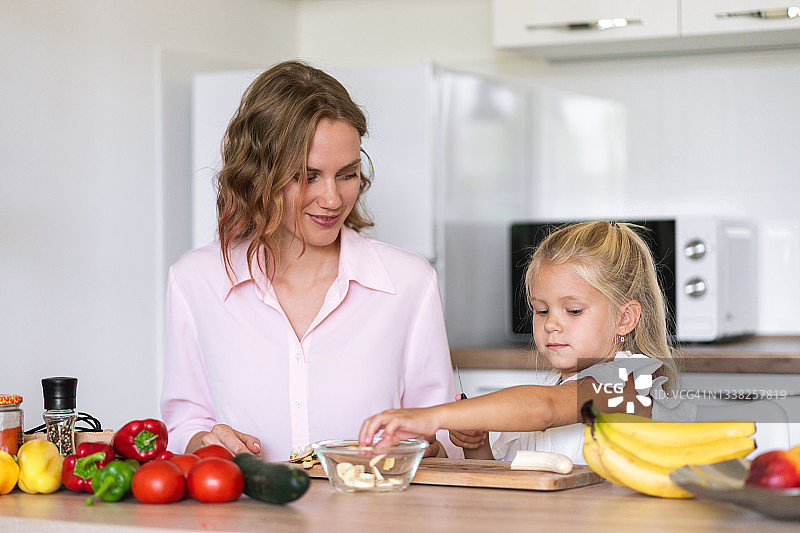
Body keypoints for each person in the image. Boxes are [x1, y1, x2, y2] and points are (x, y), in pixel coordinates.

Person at [160, 60, 460, 461]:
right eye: (307, 176)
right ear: (258, 174)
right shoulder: (195, 280)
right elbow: (185, 421)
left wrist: (431, 442)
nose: (333, 199)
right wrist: (203, 441)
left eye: (348, 173)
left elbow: (440, 432)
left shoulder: (409, 282)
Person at [360, 221, 690, 464]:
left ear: (625, 318)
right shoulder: (541, 403)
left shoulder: (631, 385)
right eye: (541, 310)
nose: (552, 324)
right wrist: (477, 446)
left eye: (573, 310)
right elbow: (504, 482)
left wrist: (432, 416)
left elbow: (546, 409)